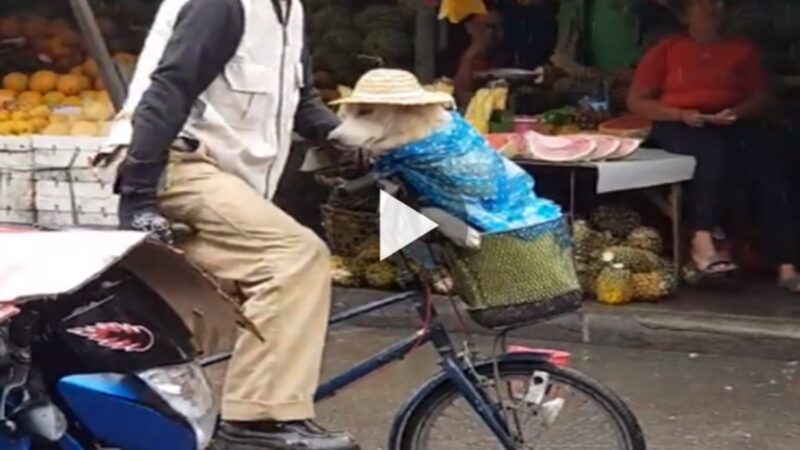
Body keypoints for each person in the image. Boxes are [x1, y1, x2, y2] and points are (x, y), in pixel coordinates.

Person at [102, 0, 359, 448]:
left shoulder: (288, 10)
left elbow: (302, 102)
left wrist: (352, 142)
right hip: (175, 163)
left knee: (215, 304)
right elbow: (170, 87)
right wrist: (139, 198)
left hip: (224, 177)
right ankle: (259, 420)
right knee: (292, 257)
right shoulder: (222, 5)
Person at [627, 0, 800, 290]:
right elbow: (637, 100)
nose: (714, 11)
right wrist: (681, 114)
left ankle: (786, 263)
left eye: (719, 7)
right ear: (686, 14)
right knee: (713, 154)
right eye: (705, 6)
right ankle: (702, 240)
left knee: (770, 164)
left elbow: (760, 96)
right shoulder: (667, 49)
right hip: (677, 125)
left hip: (728, 123)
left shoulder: (742, 49)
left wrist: (737, 112)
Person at [453, 10, 511, 107]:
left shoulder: (506, 56)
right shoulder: (451, 55)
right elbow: (460, 95)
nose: (492, 33)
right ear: (469, 27)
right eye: (486, 26)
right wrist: (470, 56)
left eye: (498, 27)